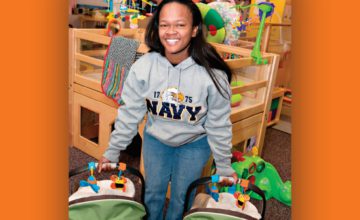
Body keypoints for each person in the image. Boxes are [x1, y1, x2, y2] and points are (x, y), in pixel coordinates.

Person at [98, 0, 238, 219]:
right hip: (156, 141)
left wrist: (224, 165)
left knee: (182, 197)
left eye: (180, 25)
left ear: (194, 30)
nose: (171, 31)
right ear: (157, 29)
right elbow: (129, 113)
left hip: (194, 144)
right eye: (164, 25)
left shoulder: (213, 75)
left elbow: (218, 124)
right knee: (153, 193)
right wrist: (113, 150)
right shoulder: (143, 67)